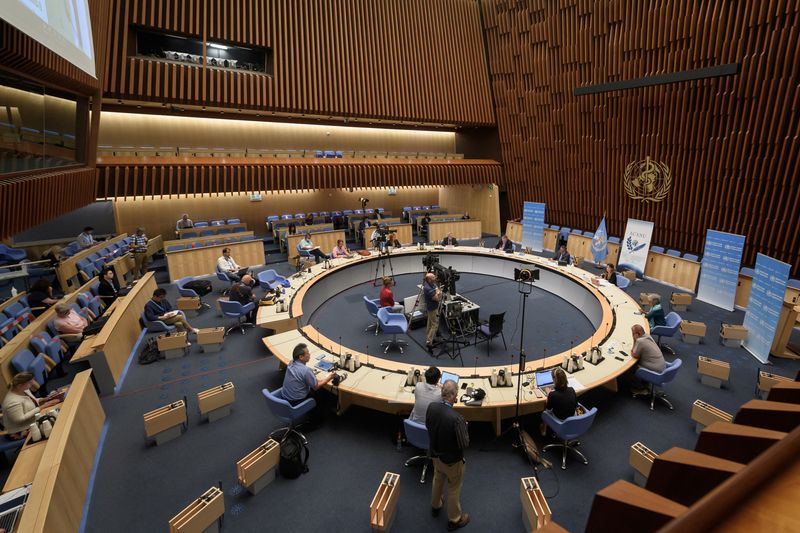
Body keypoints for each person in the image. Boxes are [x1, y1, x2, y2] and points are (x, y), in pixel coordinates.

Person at [426, 380, 470, 531]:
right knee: (453, 488)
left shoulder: (431, 407)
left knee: (438, 479)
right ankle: (454, 519)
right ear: (452, 396)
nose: (457, 396)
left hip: (435, 455)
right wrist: (465, 428)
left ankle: (436, 504)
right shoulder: (457, 419)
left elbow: (428, 425)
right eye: (456, 393)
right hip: (452, 461)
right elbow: (465, 443)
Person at [281, 343, 337, 423]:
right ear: (301, 357)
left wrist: (311, 376)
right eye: (307, 353)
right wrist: (329, 377)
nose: (309, 354)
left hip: (285, 397)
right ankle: (315, 422)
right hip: (296, 401)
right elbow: (316, 387)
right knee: (322, 394)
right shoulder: (306, 371)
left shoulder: (291, 363)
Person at [1, 372, 61, 437]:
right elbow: (20, 419)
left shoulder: (24, 390)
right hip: (21, 430)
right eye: (30, 382)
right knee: (55, 428)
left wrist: (45, 399)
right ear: (20, 385)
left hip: (33, 421)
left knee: (58, 416)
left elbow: (32, 402)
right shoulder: (12, 402)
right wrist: (42, 407)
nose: (32, 383)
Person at [628, 324, 667, 394]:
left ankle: (641, 388)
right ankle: (645, 381)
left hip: (655, 371)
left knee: (630, 367)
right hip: (662, 367)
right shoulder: (648, 336)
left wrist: (634, 340)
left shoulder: (640, 341)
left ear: (638, 334)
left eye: (633, 333)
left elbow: (634, 355)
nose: (632, 335)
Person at [423, 272, 441, 353]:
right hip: (432, 308)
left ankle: (428, 339)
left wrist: (437, 291)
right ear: (429, 279)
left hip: (433, 307)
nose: (435, 278)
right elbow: (437, 298)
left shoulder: (432, 284)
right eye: (433, 277)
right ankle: (429, 342)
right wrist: (438, 292)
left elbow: (436, 288)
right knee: (435, 324)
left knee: (430, 323)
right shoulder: (427, 288)